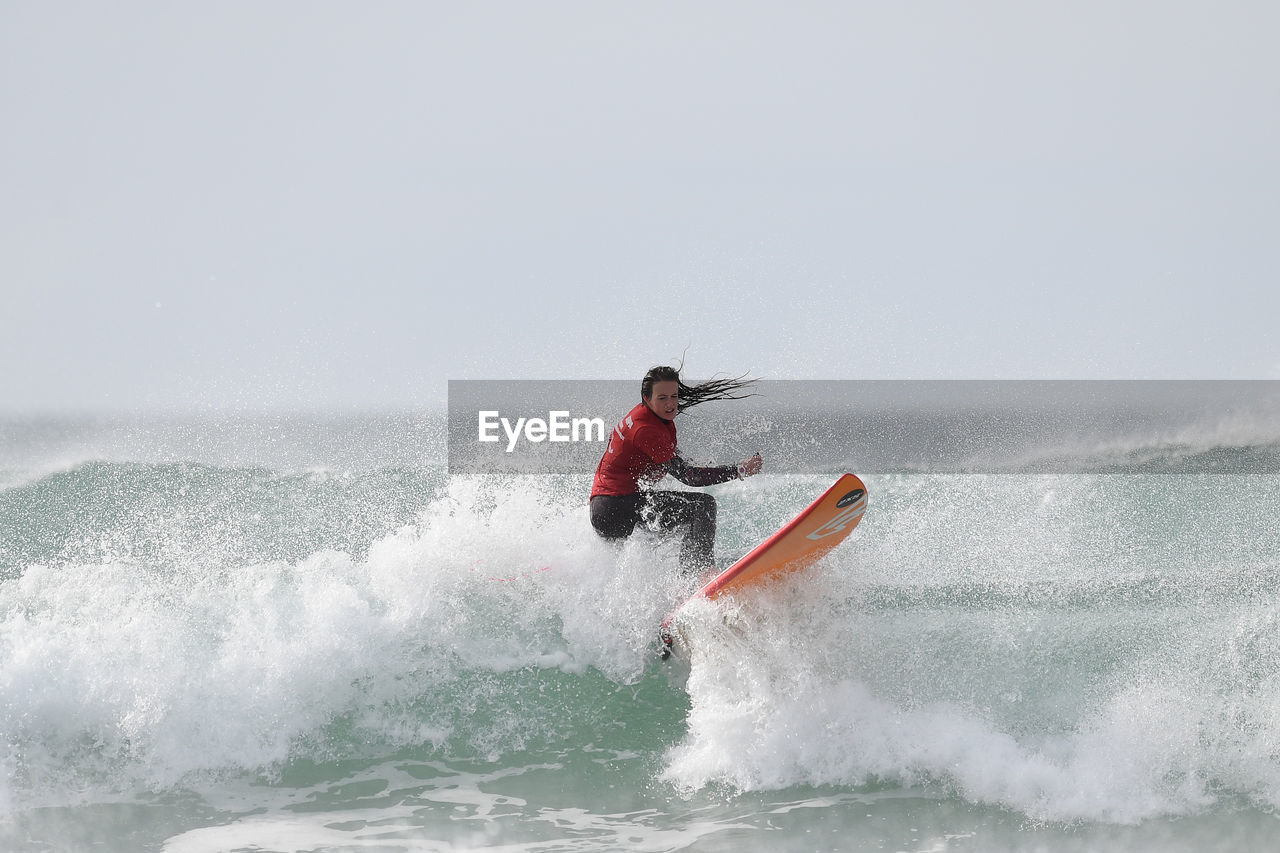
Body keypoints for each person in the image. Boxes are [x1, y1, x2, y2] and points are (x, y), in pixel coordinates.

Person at [589, 365, 763, 574]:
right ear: (646, 398)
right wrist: (738, 471)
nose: (671, 404)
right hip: (617, 508)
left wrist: (694, 464)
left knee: (685, 521)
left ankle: (684, 581)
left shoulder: (648, 416)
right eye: (662, 398)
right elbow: (690, 477)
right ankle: (699, 574)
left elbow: (670, 457)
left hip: (606, 508)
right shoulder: (645, 430)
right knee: (702, 506)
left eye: (674, 396)